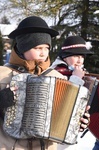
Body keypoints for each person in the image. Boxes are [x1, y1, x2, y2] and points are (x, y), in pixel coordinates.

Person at [0, 16, 90, 150]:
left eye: (46, 48)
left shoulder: (57, 78)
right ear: (22, 47)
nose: (43, 53)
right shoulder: (2, 74)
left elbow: (65, 117)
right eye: (37, 48)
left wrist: (77, 120)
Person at [50, 35, 94, 150]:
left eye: (82, 56)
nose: (80, 60)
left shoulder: (81, 74)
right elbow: (64, 102)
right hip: (54, 132)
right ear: (65, 57)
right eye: (75, 56)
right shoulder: (56, 73)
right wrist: (76, 79)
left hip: (72, 132)